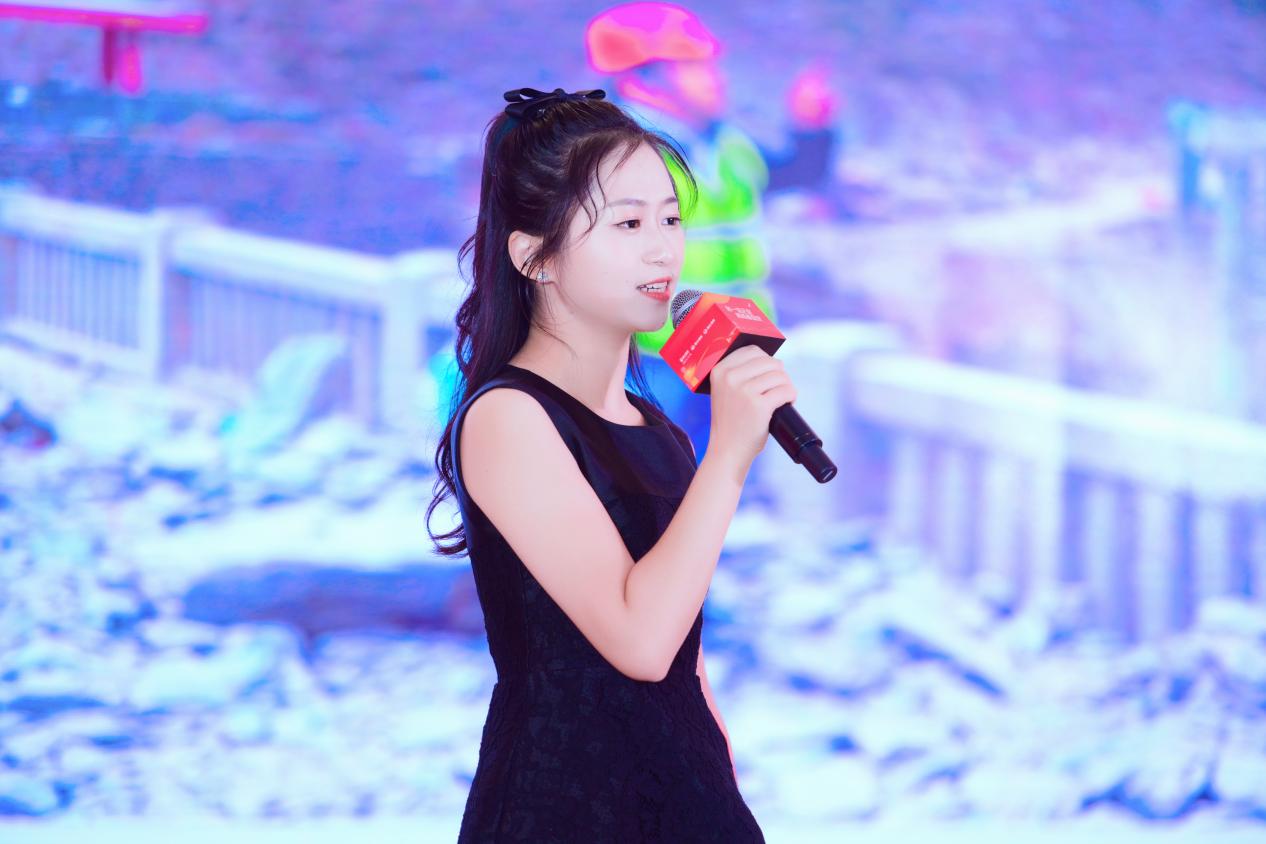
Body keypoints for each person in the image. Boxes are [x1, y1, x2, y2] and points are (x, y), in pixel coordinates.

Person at [426, 86, 795, 841]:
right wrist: (729, 457)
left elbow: (686, 661)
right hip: (565, 807)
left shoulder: (659, 431)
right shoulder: (508, 419)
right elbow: (640, 642)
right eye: (628, 223)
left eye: (670, 219)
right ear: (534, 255)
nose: (663, 250)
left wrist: (722, 794)